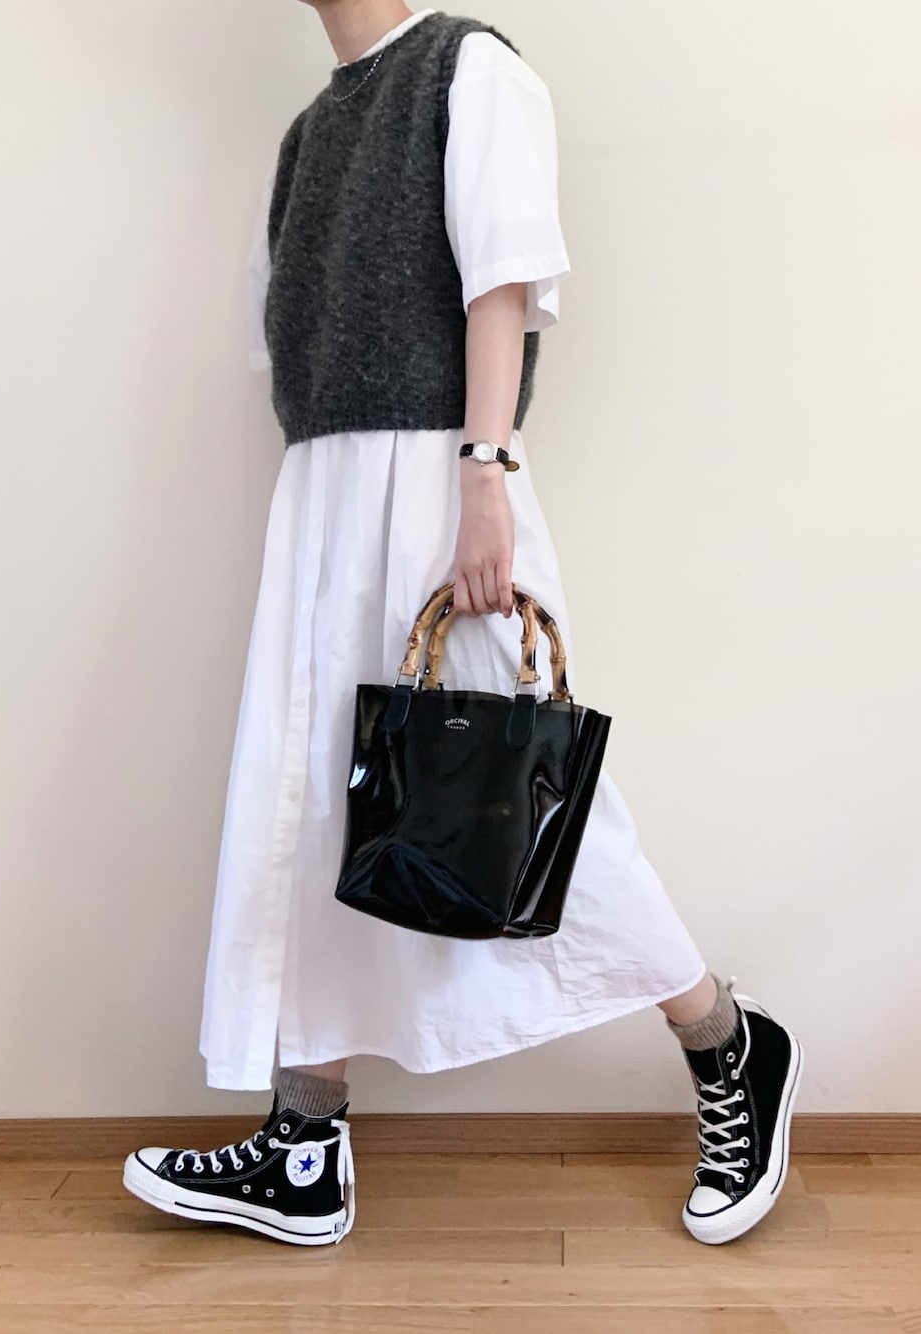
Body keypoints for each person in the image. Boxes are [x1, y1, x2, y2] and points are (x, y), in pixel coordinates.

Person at [122, 0, 803, 1249]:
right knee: (316, 803)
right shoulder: (309, 132)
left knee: (527, 799)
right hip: (325, 495)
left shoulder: (467, 66)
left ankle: (728, 1043)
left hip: (440, 481)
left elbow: (503, 279)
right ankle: (304, 1143)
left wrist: (485, 471)